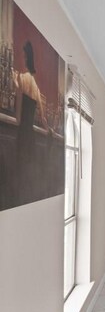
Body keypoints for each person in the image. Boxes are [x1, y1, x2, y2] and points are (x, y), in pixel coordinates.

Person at [12, 41, 49, 204]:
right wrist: (50, 132)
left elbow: (18, 117)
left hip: (22, 135)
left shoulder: (21, 78)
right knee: (29, 177)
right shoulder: (37, 88)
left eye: (22, 54)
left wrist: (15, 83)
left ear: (25, 56)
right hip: (32, 138)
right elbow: (43, 119)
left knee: (19, 177)